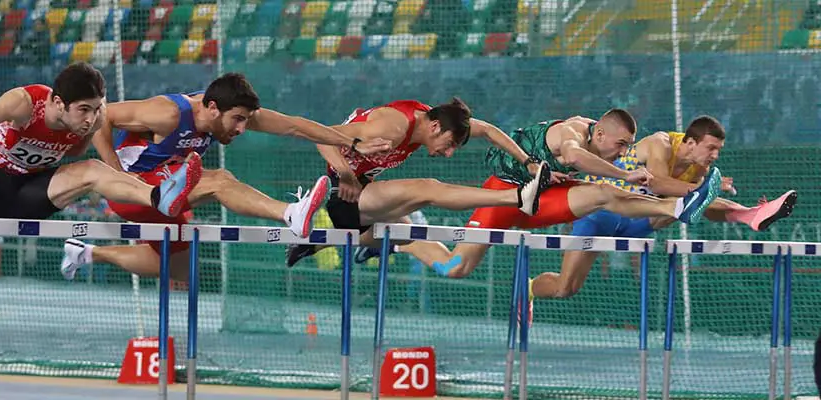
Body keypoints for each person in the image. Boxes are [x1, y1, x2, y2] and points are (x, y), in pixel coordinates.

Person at [60, 72, 392, 281]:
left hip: (174, 187)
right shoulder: (169, 113)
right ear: (213, 108)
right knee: (219, 179)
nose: (243, 129)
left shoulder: (229, 112)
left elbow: (296, 125)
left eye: (246, 120)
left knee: (177, 270)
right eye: (238, 120)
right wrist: (117, 178)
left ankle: (86, 254)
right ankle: (290, 213)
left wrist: (352, 141)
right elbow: (104, 117)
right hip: (136, 190)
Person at [343, 111, 727, 282]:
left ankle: (678, 207)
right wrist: (626, 172)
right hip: (503, 197)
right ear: (600, 136)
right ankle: (401, 242)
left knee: (602, 196)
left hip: (543, 198)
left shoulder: (599, 143)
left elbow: (493, 131)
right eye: (621, 145)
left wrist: (673, 194)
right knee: (455, 269)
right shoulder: (572, 135)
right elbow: (577, 157)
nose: (623, 151)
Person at [521, 116, 795, 323]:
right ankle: (529, 288)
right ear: (690, 142)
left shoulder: (701, 171)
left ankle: (750, 215)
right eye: (711, 148)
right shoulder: (659, 143)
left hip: (639, 222)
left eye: (718, 150)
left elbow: (693, 201)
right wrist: (700, 191)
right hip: (599, 215)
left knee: (683, 207)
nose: (714, 156)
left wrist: (705, 193)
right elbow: (659, 185)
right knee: (564, 288)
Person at [284, 98, 556, 267]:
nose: (448, 154)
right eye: (449, 145)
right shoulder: (391, 126)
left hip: (364, 192)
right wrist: (344, 173)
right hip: (344, 192)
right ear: (435, 127)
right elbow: (320, 136)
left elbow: (488, 130)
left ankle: (314, 245)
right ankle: (518, 197)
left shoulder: (436, 120)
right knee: (427, 188)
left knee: (406, 233)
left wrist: (528, 162)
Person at [0, 62, 200, 220]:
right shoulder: (25, 103)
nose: (91, 119)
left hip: (30, 189)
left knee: (93, 168)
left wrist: (121, 174)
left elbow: (76, 152)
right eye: (83, 110)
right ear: (58, 103)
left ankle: (157, 196)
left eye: (96, 109)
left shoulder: (94, 121)